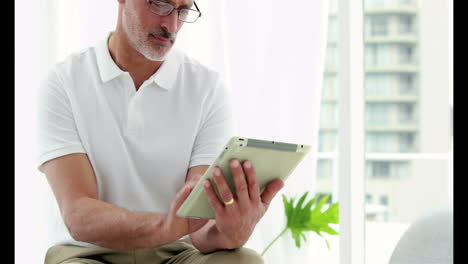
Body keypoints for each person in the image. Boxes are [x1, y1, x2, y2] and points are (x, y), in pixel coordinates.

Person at [37, 0, 285, 263]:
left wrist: (232, 231)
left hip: (175, 253)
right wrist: (165, 226)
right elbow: (79, 215)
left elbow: (198, 228)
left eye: (183, 10)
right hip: (87, 252)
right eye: (161, 4)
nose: (171, 24)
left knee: (243, 259)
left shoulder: (207, 89)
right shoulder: (65, 81)